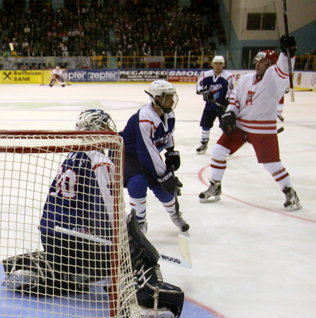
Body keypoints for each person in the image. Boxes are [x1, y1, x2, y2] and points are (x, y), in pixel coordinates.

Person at [1, 109, 184, 318]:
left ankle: (58, 272)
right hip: (74, 239)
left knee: (106, 252)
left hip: (52, 236)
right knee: (137, 254)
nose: (110, 131)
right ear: (96, 131)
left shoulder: (74, 154)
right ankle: (138, 307)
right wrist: (129, 240)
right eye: (105, 127)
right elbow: (109, 214)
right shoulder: (100, 161)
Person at [199, 36, 301, 211]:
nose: (257, 64)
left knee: (271, 164)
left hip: (262, 128)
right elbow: (235, 100)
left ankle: (290, 193)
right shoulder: (246, 78)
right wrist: (230, 114)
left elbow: (284, 69)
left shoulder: (275, 79)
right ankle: (215, 185)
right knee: (218, 150)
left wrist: (287, 53)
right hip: (241, 125)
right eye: (257, 61)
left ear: (270, 64)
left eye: (262, 61)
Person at [120, 80, 189, 233]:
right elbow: (148, 153)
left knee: (164, 191)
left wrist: (171, 150)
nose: (172, 100)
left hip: (148, 154)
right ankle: (139, 223)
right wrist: (164, 176)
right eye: (168, 97)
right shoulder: (145, 119)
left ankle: (175, 214)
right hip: (130, 156)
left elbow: (167, 133)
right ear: (157, 99)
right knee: (138, 183)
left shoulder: (168, 113)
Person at [195, 55, 234, 154]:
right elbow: (199, 84)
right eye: (216, 63)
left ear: (223, 65)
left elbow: (233, 89)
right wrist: (203, 92)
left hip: (223, 106)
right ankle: (204, 143)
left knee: (226, 125)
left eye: (220, 64)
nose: (217, 66)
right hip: (210, 105)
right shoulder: (206, 75)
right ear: (212, 64)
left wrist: (229, 100)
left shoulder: (228, 76)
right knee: (205, 124)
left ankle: (227, 145)